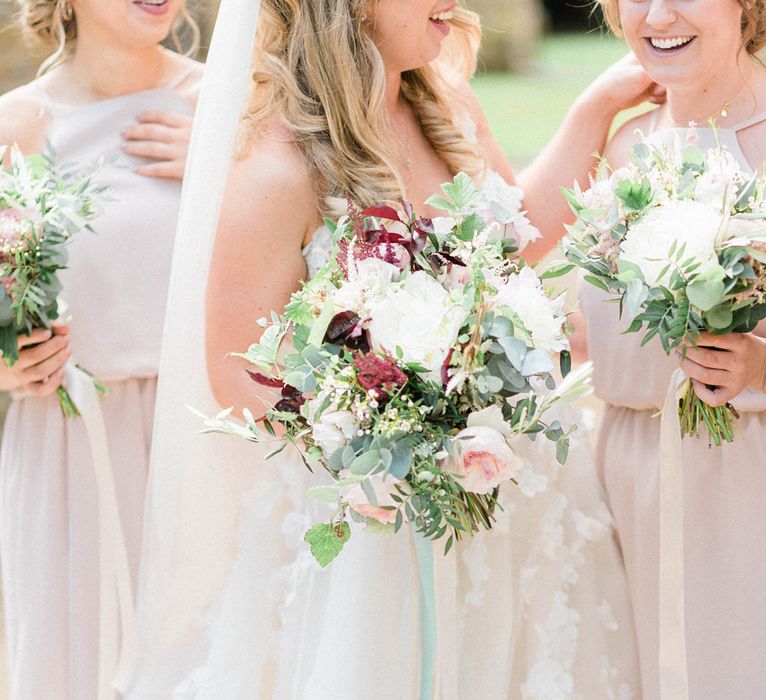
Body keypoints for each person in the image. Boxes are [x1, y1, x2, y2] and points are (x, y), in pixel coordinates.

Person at [132, 1, 663, 697]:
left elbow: (514, 236)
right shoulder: (278, 166)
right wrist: (377, 437)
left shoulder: (445, 99)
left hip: (521, 497)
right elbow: (237, 368)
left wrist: (595, 110)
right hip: (383, 525)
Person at [0, 0, 202, 697]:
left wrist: (222, 172)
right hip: (67, 450)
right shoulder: (15, 125)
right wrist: (5, 363)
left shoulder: (227, 108)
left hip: (201, 442)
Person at [583, 1, 766, 697]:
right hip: (624, 481)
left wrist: (762, 365)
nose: (657, 14)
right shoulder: (628, 146)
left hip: (747, 481)